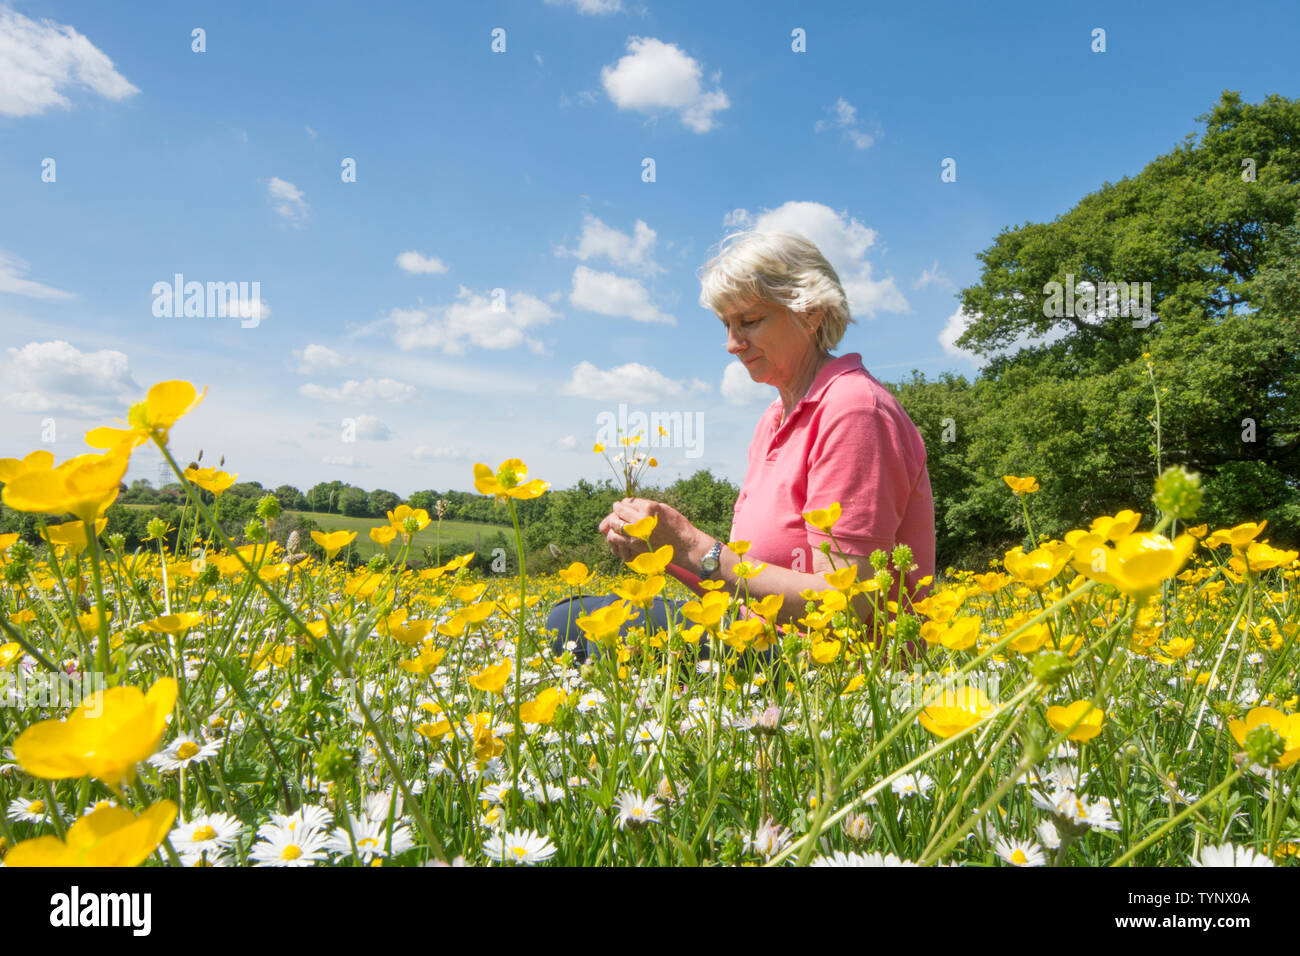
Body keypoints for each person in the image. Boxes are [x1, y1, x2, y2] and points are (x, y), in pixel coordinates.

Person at [546, 230, 936, 663]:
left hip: (832, 666)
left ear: (812, 314)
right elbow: (739, 584)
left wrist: (695, 545)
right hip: (763, 637)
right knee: (575, 616)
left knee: (571, 625)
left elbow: (850, 602)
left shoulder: (854, 411)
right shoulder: (772, 421)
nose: (732, 344)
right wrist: (667, 552)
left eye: (749, 322)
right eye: (726, 325)